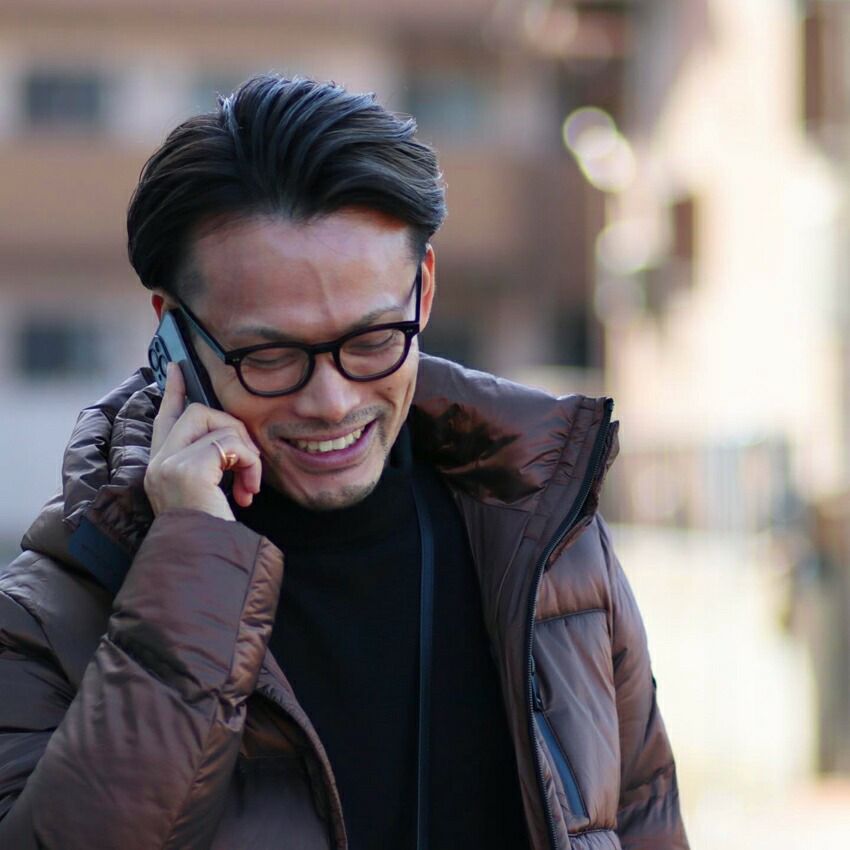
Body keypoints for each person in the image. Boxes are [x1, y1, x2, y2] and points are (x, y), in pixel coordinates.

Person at [0, 74, 688, 850]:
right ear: (174, 335)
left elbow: (645, 820)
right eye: (269, 356)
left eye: (371, 340)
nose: (331, 402)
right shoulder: (48, 617)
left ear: (423, 291)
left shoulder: (549, 543)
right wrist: (188, 578)